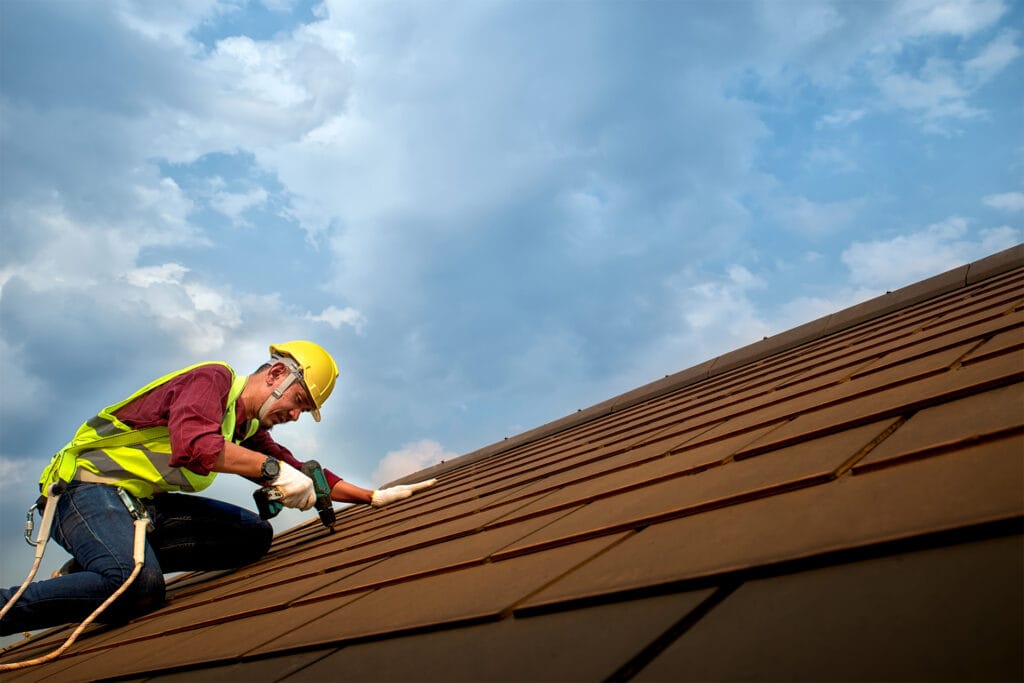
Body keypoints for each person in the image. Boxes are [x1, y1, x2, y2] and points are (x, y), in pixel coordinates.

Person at [0, 341, 435, 636]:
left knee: (252, 537)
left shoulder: (243, 425)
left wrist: (371, 497)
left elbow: (298, 468)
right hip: (82, 492)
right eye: (299, 401)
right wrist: (270, 471)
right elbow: (195, 446)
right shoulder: (211, 381)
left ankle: (93, 569)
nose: (297, 415)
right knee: (139, 586)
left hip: (137, 506)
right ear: (277, 375)